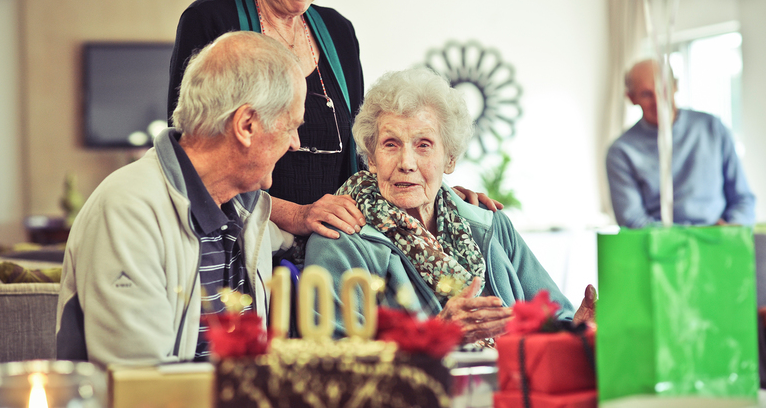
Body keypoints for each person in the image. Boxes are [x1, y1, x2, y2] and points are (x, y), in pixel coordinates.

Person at [169, 0, 498, 244]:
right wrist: (296, 214)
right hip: (244, 247)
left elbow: (368, 156)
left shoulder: (338, 32)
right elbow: (193, 160)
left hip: (337, 249)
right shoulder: (211, 22)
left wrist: (442, 198)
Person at [57, 32, 305, 367]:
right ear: (246, 125)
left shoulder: (245, 209)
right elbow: (139, 383)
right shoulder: (128, 212)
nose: (295, 143)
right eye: (291, 126)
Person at [304, 68, 596, 343]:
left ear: (450, 159)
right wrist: (438, 335)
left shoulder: (492, 227)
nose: (406, 163)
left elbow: (558, 317)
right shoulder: (339, 243)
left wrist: (578, 329)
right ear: (371, 157)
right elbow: (334, 365)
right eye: (391, 144)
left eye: (424, 145)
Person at [606, 58, 756, 228]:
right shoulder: (621, 151)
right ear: (631, 98)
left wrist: (732, 227)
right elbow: (632, 221)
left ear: (675, 86)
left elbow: (743, 199)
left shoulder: (712, 128)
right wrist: (694, 237)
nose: (658, 101)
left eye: (663, 89)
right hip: (660, 249)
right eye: (646, 94)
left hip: (721, 242)